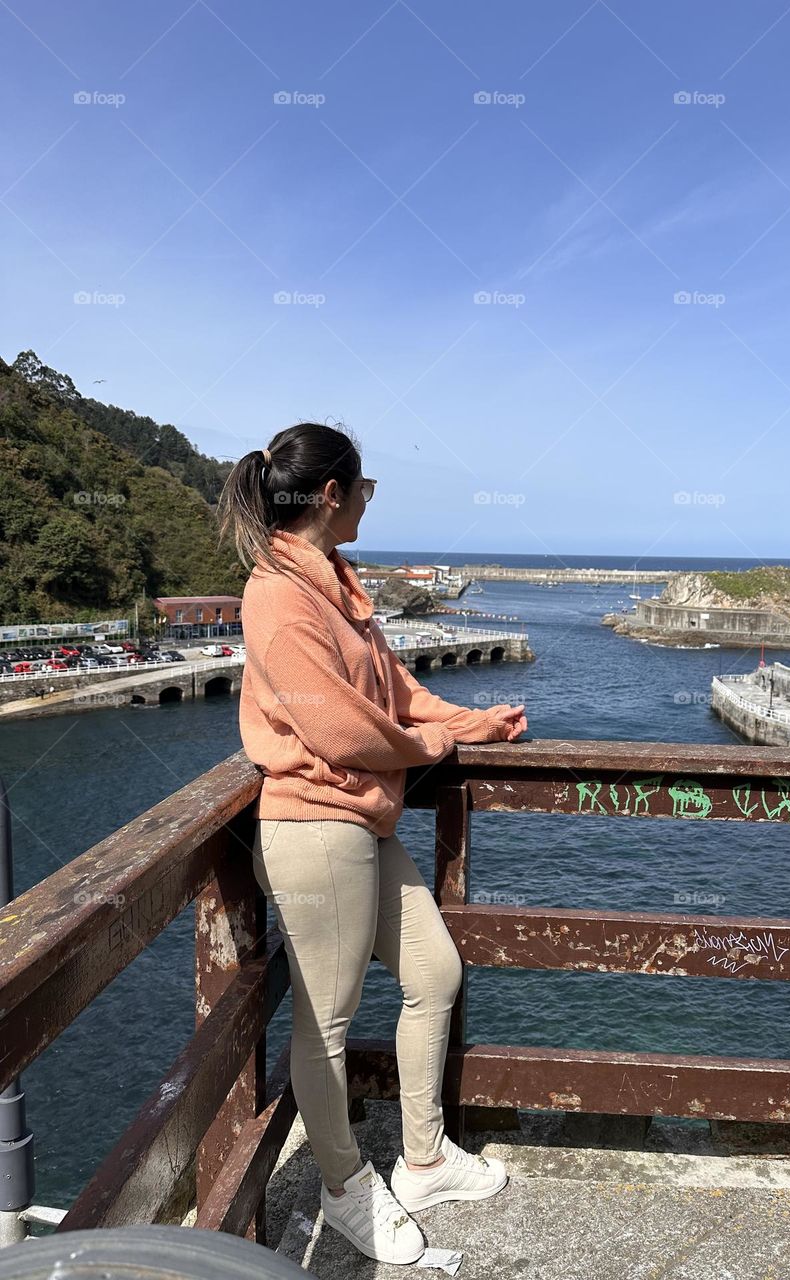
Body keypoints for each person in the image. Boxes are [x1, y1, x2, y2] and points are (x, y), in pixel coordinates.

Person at [218, 422, 527, 1266]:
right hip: (315, 826)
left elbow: (398, 694)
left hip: (363, 821)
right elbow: (343, 730)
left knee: (435, 972)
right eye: (366, 489)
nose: (367, 501)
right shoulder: (277, 594)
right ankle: (346, 1188)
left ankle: (422, 1161)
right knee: (326, 1022)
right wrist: (431, 748)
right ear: (332, 496)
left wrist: (478, 725)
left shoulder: (337, 588)